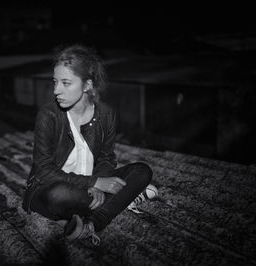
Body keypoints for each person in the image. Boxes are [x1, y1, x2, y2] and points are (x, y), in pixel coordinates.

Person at [22, 44, 156, 246]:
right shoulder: (48, 115)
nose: (56, 90)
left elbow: (106, 157)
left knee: (142, 170)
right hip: (49, 188)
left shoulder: (106, 114)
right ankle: (125, 199)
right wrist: (94, 183)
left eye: (65, 83)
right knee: (59, 195)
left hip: (88, 189)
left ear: (87, 85)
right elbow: (43, 170)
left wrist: (100, 181)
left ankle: (92, 222)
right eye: (55, 82)